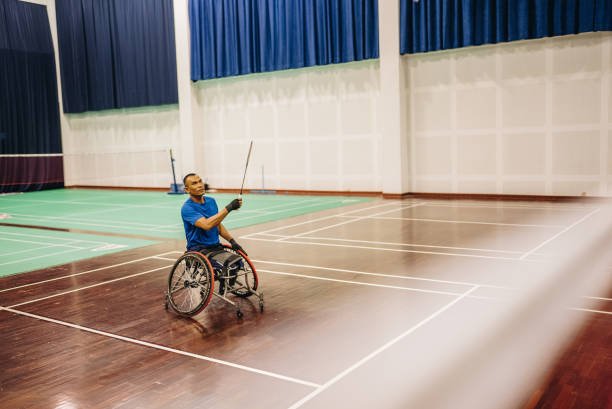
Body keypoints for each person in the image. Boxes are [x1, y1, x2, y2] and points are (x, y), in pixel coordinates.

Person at [181, 172, 247, 255]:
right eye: (194, 183)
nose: (200, 185)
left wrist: (232, 241)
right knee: (223, 265)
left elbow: (217, 224)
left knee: (237, 263)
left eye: (200, 181)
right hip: (198, 249)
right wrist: (229, 207)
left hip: (215, 247)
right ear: (187, 189)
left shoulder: (211, 201)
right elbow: (207, 225)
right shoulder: (187, 208)